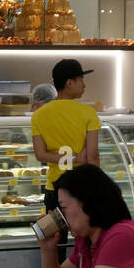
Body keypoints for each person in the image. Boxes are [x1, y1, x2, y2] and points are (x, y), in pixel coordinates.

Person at [31, 58, 100, 213]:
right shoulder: (88, 113)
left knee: (56, 235)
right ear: (69, 83)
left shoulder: (38, 115)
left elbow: (40, 154)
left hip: (54, 187)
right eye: (81, 79)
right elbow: (93, 155)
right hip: (81, 187)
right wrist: (97, 184)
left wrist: (72, 159)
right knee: (84, 235)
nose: (84, 84)